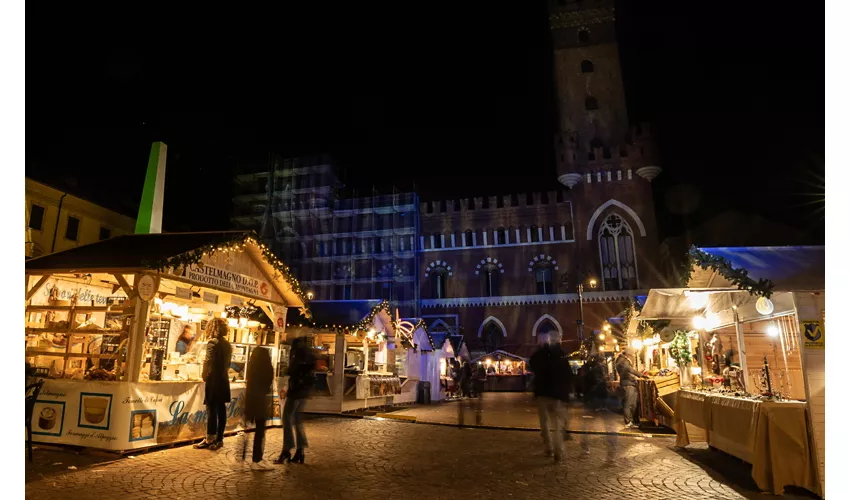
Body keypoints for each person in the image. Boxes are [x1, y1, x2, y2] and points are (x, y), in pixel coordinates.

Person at [528, 333, 573, 463]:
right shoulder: (561, 355)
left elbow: (532, 364)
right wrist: (567, 394)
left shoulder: (539, 355)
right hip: (557, 394)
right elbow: (568, 376)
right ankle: (558, 450)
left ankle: (549, 447)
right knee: (557, 423)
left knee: (544, 421)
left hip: (542, 393)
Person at [276, 336, 315, 464]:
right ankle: (300, 450)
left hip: (295, 391)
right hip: (303, 391)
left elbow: (292, 370)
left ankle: (286, 450)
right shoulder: (308, 354)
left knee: (286, 419)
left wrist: (286, 370)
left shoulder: (298, 355)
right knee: (297, 420)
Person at [194, 318, 232, 450]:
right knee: (221, 410)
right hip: (223, 379)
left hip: (214, 381)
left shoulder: (212, 343)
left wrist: (204, 375)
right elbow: (227, 363)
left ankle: (210, 438)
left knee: (211, 409)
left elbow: (208, 361)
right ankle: (219, 439)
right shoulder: (227, 344)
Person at [245, 347, 274, 471]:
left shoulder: (251, 369)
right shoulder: (266, 369)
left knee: (252, 431)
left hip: (250, 400)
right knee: (260, 431)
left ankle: (252, 458)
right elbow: (267, 385)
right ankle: (257, 459)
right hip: (260, 401)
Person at [615, 348, 643, 428]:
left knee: (633, 403)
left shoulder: (621, 360)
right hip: (628, 384)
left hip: (629, 383)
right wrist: (640, 374)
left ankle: (632, 421)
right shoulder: (623, 361)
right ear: (628, 354)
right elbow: (629, 369)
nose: (632, 357)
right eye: (631, 355)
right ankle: (628, 422)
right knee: (629, 403)